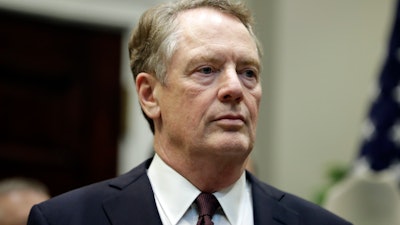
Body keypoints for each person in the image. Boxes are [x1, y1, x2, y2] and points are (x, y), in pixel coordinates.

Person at [28, 0, 352, 224]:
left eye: (248, 72)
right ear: (149, 94)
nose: (235, 88)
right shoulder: (67, 220)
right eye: (207, 69)